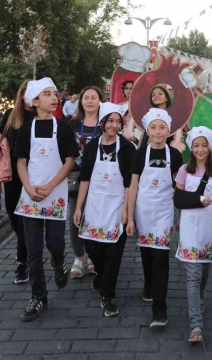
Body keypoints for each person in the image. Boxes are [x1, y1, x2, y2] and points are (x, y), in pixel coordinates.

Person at [14, 78, 78, 321]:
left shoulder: (62, 128)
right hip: (30, 196)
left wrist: (51, 186)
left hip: (55, 195)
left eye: (55, 93)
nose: (55, 98)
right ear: (34, 101)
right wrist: (28, 187)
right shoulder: (25, 129)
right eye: (48, 94)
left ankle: (59, 263)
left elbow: (70, 160)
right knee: (33, 250)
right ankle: (38, 296)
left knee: (55, 243)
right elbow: (21, 162)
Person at [75, 102, 136, 317]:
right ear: (102, 122)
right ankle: (101, 275)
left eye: (118, 121)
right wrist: (79, 207)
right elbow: (84, 178)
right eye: (110, 121)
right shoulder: (92, 147)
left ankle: (108, 296)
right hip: (93, 206)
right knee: (93, 247)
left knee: (114, 254)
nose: (114, 125)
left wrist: (127, 211)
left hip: (117, 206)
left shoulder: (128, 149)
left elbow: (130, 183)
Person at [126, 108, 184, 328]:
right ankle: (149, 285)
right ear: (147, 131)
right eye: (154, 128)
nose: (158, 132)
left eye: (162, 128)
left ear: (168, 131)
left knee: (161, 259)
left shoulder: (175, 156)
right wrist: (130, 217)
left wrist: (179, 215)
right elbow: (133, 186)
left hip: (165, 211)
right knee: (147, 253)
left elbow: (180, 187)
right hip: (143, 211)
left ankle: (159, 310)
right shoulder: (140, 154)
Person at [174, 126, 212, 343]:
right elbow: (178, 199)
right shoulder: (184, 170)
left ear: (210, 148)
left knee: (204, 270)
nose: (200, 150)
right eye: (196, 146)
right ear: (191, 148)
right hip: (189, 228)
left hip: (209, 228)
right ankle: (196, 325)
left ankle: (200, 295)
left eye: (204, 146)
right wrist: (177, 220)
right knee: (192, 275)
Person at [0, 80, 33, 284]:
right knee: (13, 215)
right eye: (26, 91)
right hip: (11, 174)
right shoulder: (12, 114)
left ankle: (22, 262)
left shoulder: (40, 115)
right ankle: (28, 248)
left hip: (33, 174)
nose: (29, 95)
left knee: (23, 218)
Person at [67, 85, 104, 278]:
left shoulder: (106, 123)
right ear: (81, 101)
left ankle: (92, 256)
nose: (89, 101)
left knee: (96, 218)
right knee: (74, 218)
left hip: (100, 179)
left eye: (93, 98)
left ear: (100, 101)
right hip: (76, 178)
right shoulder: (72, 123)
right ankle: (79, 256)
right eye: (86, 98)